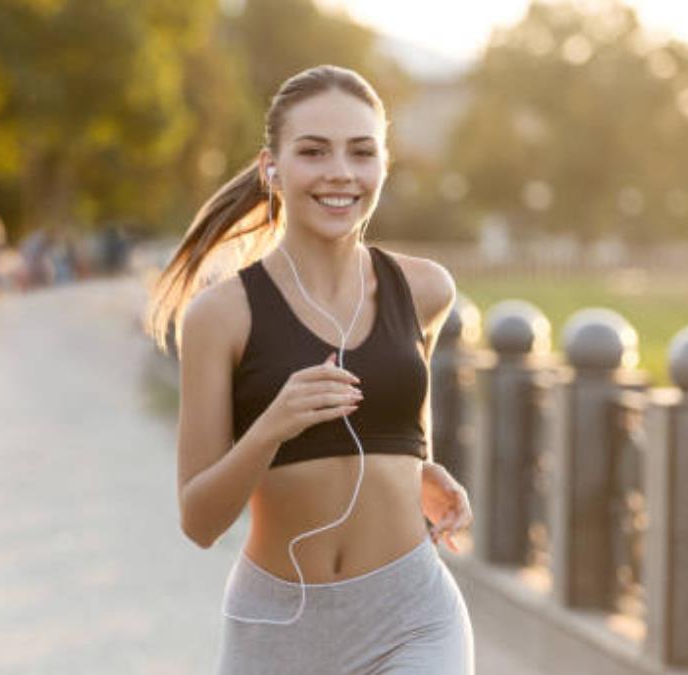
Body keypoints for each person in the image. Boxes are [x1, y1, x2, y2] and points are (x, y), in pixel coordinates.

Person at [146, 65, 476, 674]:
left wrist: (423, 470)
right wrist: (272, 426)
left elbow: (402, 424)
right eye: (314, 151)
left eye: (361, 151)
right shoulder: (222, 316)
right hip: (278, 628)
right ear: (272, 166)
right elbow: (199, 521)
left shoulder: (425, 290)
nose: (341, 173)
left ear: (383, 164)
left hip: (413, 617)